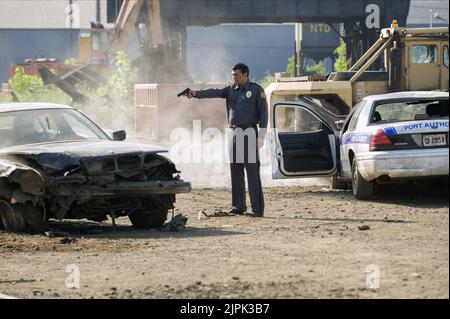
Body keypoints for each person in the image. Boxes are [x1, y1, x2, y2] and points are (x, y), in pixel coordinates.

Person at [185, 63, 267, 217]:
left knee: (252, 172)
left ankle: (257, 209)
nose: (234, 77)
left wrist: (261, 137)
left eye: (237, 75)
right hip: (234, 132)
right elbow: (213, 92)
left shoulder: (256, 90)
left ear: (245, 75)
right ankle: (238, 206)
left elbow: (264, 116)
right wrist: (195, 93)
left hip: (249, 132)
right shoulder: (230, 89)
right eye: (233, 75)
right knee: (235, 170)